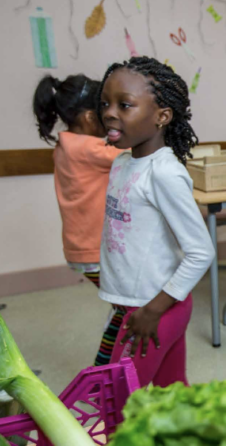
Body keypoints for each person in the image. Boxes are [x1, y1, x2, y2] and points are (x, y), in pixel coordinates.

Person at [98, 56, 215, 387]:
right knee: (172, 390)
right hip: (134, 304)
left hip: (157, 306)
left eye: (125, 105)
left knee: (118, 398)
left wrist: (152, 310)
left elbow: (201, 252)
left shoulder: (164, 172)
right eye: (106, 103)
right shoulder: (121, 163)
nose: (109, 112)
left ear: (162, 116)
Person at [32, 74, 123, 366]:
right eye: (105, 112)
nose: (110, 118)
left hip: (80, 249)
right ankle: (103, 370)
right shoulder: (89, 148)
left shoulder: (65, 145)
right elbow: (133, 153)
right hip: (93, 251)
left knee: (123, 307)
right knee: (128, 310)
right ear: (87, 117)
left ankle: (111, 364)